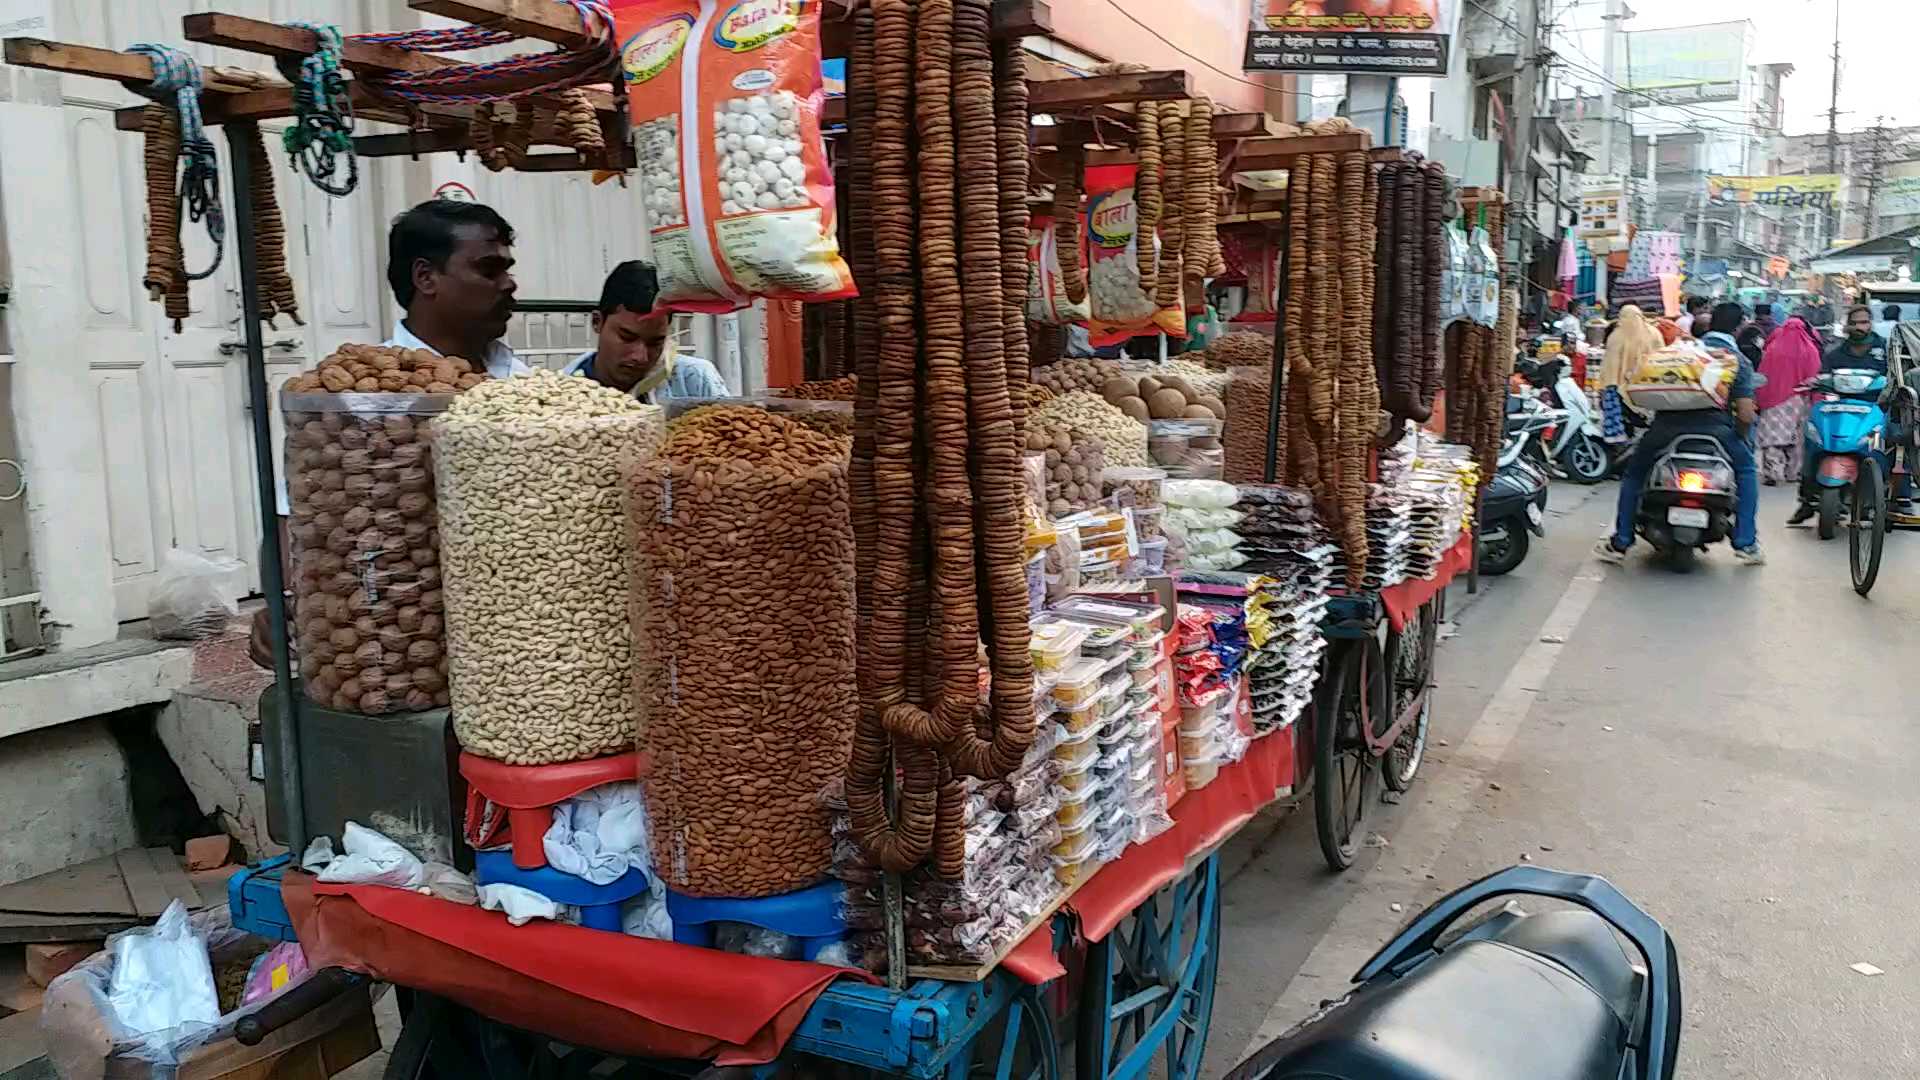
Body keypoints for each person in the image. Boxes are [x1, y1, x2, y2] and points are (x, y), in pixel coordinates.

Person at [251, 198, 530, 668]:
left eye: (508, 268)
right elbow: (296, 516)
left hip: (510, 640)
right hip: (396, 643)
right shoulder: (358, 402)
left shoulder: (526, 385)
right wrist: (281, 603)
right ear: (426, 278)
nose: (509, 284)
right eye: (489, 269)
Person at [1596, 301, 1763, 566]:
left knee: (1634, 474)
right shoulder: (1738, 361)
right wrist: (1741, 436)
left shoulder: (1682, 351)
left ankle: (1621, 541)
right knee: (1746, 471)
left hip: (1665, 430)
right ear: (1740, 327)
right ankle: (1746, 543)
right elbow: (1745, 415)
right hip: (1718, 432)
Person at [564, 261, 731, 401]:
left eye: (655, 342)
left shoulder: (696, 380)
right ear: (597, 322)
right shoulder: (562, 394)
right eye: (627, 337)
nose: (640, 357)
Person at [1788, 305, 1893, 523]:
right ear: (1846, 326)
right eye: (1854, 322)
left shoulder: (1884, 350)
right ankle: (1806, 498)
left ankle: (1886, 497)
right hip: (1838, 408)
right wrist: (1813, 383)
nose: (1858, 327)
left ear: (1871, 324)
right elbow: (1822, 376)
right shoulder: (1834, 352)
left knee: (1885, 445)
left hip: (1873, 409)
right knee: (1812, 440)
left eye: (1863, 322)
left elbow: (1894, 378)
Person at [1753, 315, 1822, 486]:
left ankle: (1773, 472)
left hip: (1773, 400)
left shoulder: (1773, 349)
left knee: (1772, 436)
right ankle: (1793, 472)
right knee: (1797, 438)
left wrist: (1759, 397)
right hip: (1799, 399)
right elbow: (1815, 377)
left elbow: (1763, 375)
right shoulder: (1810, 349)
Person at [1595, 303, 1658, 444]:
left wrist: (1604, 386)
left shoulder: (1616, 336)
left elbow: (1609, 365)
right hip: (1648, 383)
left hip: (1619, 385)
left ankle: (1618, 439)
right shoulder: (1654, 333)